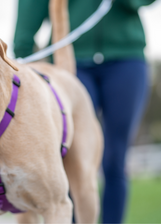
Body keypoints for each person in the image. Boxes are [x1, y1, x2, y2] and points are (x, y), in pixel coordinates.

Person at [13, 0, 155, 223]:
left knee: (115, 158)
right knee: (68, 157)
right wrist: (22, 55)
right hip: (70, 59)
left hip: (125, 59)